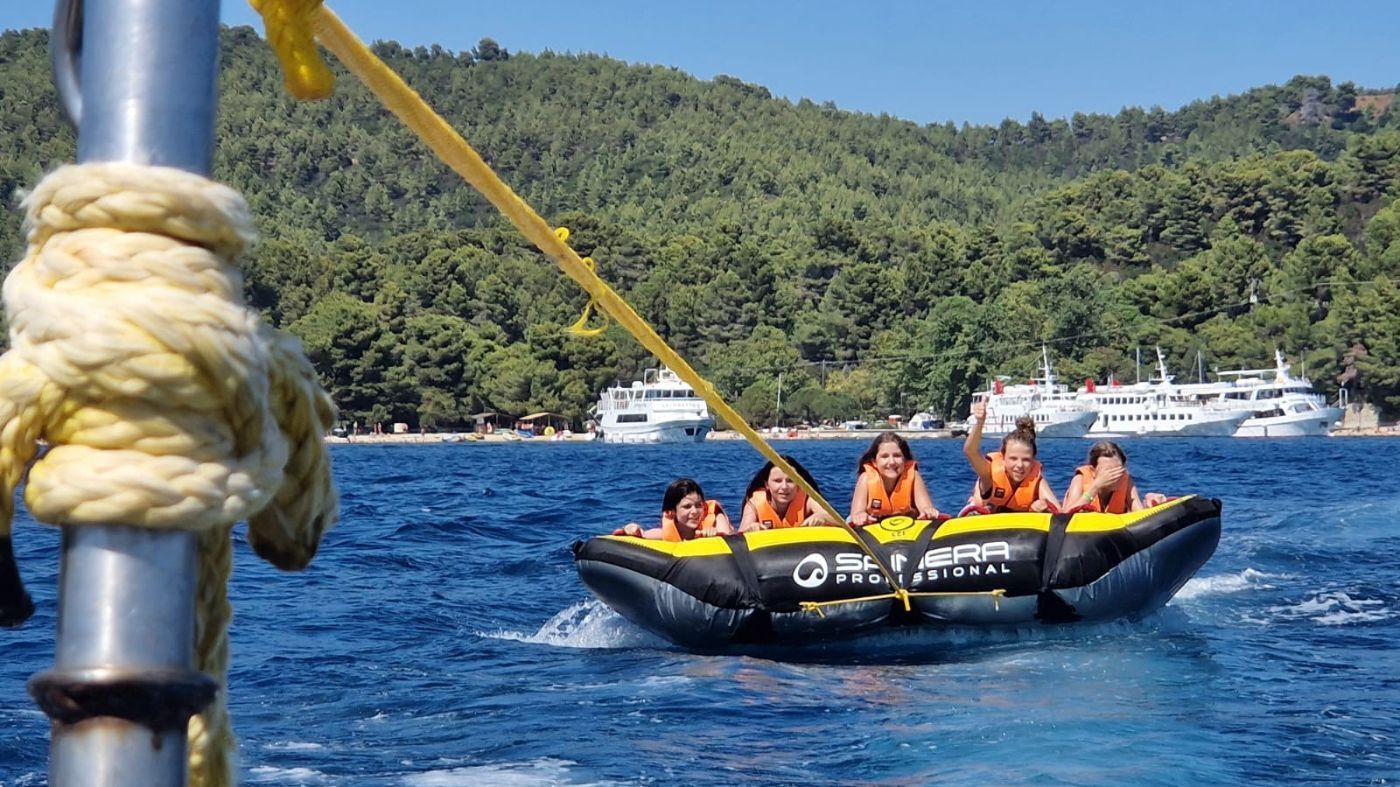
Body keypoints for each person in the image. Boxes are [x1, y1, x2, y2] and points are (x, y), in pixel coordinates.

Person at [963, 401, 1058, 513]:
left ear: (1033, 460)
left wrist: (1044, 506)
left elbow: (1058, 511)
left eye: (1026, 460)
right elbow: (970, 451)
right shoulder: (988, 475)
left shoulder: (1036, 480)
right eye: (1013, 458)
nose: (1020, 465)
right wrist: (980, 422)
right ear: (1003, 458)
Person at [848, 434, 940, 525]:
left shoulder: (914, 477)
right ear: (874, 462)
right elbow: (857, 513)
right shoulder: (865, 479)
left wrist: (928, 511)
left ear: (905, 460)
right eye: (884, 456)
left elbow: (925, 507)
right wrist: (860, 515)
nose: (891, 462)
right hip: (872, 527)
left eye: (897, 456)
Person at [1062, 441, 1168, 513]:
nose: (1114, 475)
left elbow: (1139, 513)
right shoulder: (1080, 479)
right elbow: (1067, 515)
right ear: (1093, 471)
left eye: (1118, 470)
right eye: (1108, 471)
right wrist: (1095, 487)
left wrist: (1151, 504)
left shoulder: (1125, 479)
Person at [738, 456, 836, 532]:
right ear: (767, 485)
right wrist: (751, 527)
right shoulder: (754, 504)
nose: (784, 487)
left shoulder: (807, 500)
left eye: (790, 481)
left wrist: (822, 517)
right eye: (777, 481)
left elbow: (837, 519)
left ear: (798, 483)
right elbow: (741, 532)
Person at [616, 478, 734, 541]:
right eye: (687, 507)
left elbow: (732, 541)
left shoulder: (716, 519)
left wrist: (716, 536)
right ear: (671, 512)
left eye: (699, 505)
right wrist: (632, 529)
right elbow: (642, 535)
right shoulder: (665, 534)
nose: (695, 511)